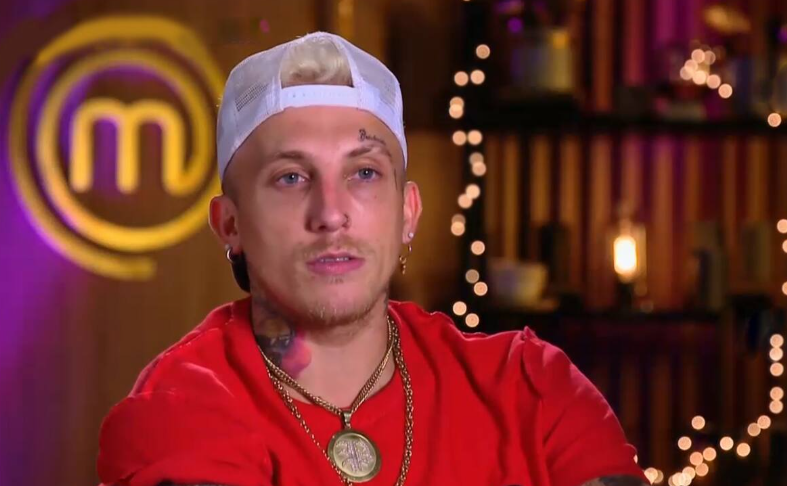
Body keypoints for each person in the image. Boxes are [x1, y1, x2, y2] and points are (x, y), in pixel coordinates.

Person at [96, 32, 648, 486]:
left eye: (364, 172)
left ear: (407, 212)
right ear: (231, 225)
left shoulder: (531, 389)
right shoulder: (182, 408)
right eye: (291, 177)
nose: (331, 213)